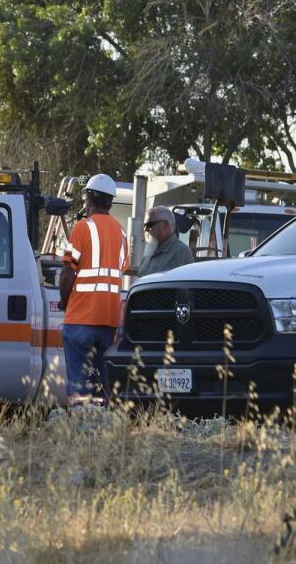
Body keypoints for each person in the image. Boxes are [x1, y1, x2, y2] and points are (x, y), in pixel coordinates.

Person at [59, 174, 128, 407]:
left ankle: (81, 425)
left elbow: (68, 271)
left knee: (79, 382)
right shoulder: (122, 233)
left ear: (89, 198)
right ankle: (101, 427)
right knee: (102, 382)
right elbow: (122, 268)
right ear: (110, 201)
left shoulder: (81, 227)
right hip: (108, 320)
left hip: (80, 316)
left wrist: (63, 301)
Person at [136, 206, 195, 277]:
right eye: (144, 226)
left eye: (150, 225)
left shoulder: (181, 251)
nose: (145, 229)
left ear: (165, 225)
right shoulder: (149, 251)